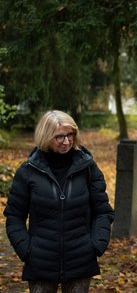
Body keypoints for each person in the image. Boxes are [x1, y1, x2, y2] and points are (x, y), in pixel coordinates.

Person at [3, 110, 115, 293]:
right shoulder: (28, 171)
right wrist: (27, 251)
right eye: (59, 137)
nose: (67, 141)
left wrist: (96, 245)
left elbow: (103, 211)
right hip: (40, 263)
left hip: (80, 259)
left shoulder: (87, 167)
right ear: (45, 137)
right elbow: (14, 216)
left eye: (70, 135)